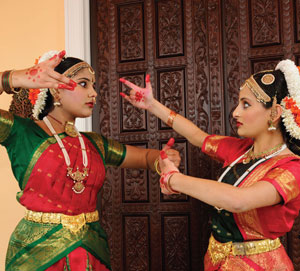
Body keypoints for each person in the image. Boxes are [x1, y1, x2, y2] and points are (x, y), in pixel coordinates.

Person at [0, 50, 180, 271]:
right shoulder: (22, 133)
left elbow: (145, 157)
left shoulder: (94, 144)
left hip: (90, 251)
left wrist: (163, 159)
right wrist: (13, 78)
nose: (94, 93)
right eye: (84, 84)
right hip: (37, 255)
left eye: (93, 85)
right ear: (56, 91)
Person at [120, 60, 300, 270]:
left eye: (246, 104)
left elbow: (239, 201)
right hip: (218, 260)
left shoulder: (291, 169)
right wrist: (152, 105)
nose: (235, 113)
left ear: (275, 113)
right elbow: (198, 137)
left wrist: (173, 179)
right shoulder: (241, 150)